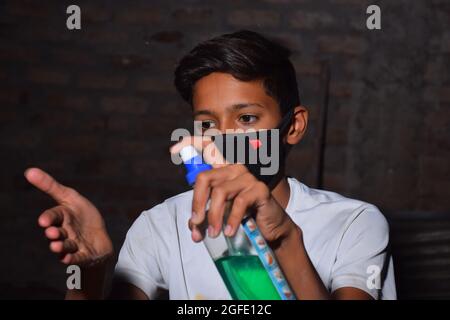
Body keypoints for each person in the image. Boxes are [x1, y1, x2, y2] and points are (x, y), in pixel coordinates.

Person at [24, 30, 396, 300]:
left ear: (293, 126)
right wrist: (90, 274)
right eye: (208, 124)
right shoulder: (161, 225)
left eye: (246, 119)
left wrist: (285, 240)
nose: (224, 137)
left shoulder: (354, 223)